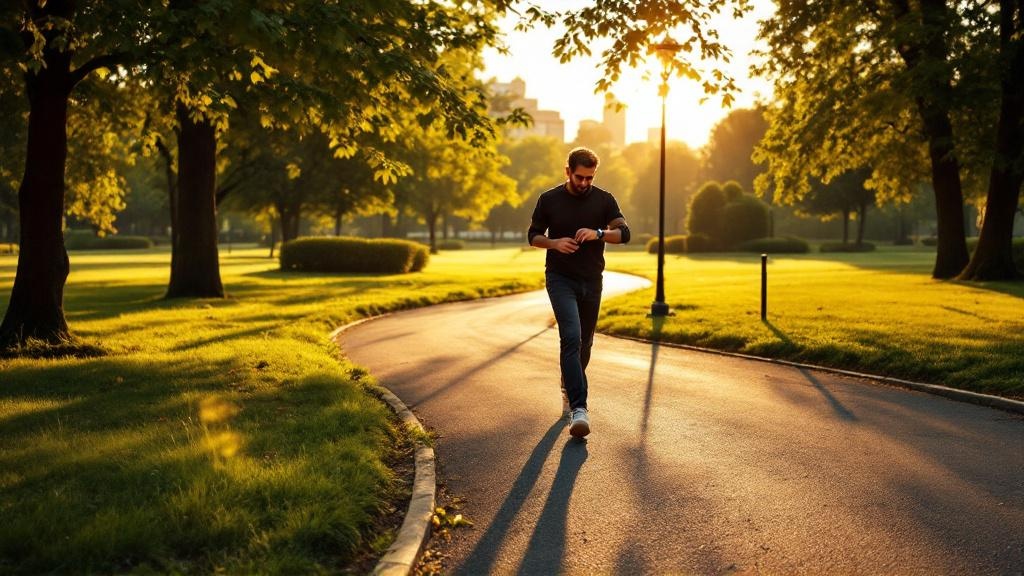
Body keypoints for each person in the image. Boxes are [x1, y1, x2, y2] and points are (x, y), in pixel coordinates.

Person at [527, 147, 631, 438]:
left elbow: (624, 234)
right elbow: (533, 236)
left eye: (589, 178)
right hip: (560, 279)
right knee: (570, 337)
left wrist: (598, 233)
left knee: (585, 343)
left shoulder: (604, 200)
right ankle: (579, 408)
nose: (584, 183)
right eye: (579, 177)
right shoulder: (549, 199)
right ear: (568, 171)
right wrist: (555, 243)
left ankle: (567, 384)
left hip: (592, 280)